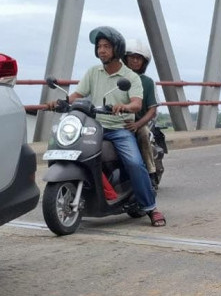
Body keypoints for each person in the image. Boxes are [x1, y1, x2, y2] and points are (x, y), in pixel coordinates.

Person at [47, 26, 166, 227]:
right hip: (95, 127)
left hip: (119, 129)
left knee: (135, 164)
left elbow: (137, 103)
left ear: (117, 49)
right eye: (99, 46)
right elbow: (78, 94)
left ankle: (150, 207)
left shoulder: (131, 77)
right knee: (74, 152)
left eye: (106, 46)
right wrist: (60, 102)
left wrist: (124, 106)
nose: (101, 50)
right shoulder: (93, 72)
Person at [122, 38, 159, 188]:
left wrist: (138, 124)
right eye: (132, 57)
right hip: (118, 121)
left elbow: (153, 110)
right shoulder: (116, 78)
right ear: (125, 59)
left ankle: (151, 172)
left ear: (144, 62)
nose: (135, 61)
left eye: (139, 58)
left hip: (140, 121)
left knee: (143, 133)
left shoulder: (147, 82)